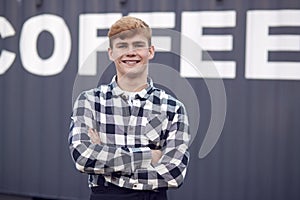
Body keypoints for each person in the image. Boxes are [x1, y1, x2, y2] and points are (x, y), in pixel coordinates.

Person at [69, 16, 190, 200]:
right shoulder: (90, 101)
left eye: (138, 45)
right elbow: (83, 157)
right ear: (111, 53)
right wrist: (149, 155)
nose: (130, 52)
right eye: (122, 46)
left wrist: (106, 163)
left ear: (150, 51)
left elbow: (173, 174)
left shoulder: (172, 108)